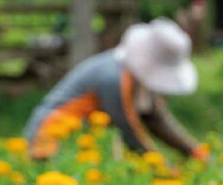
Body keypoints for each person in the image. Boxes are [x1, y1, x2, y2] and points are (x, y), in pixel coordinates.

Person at [23, 18, 207, 164]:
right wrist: (163, 169)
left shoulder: (135, 78)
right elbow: (130, 132)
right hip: (51, 140)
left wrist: (193, 151)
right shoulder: (113, 78)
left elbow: (155, 118)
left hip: (80, 145)